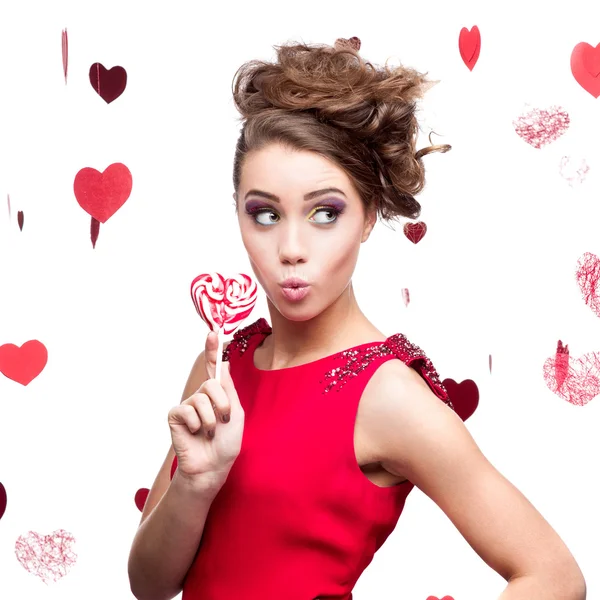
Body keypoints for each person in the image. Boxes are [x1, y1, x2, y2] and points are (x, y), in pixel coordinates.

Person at [128, 39, 586, 600]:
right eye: (265, 214)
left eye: (325, 213)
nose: (291, 248)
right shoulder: (218, 365)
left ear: (369, 216)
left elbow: (554, 577)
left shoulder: (387, 393)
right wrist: (195, 485)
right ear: (238, 213)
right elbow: (148, 585)